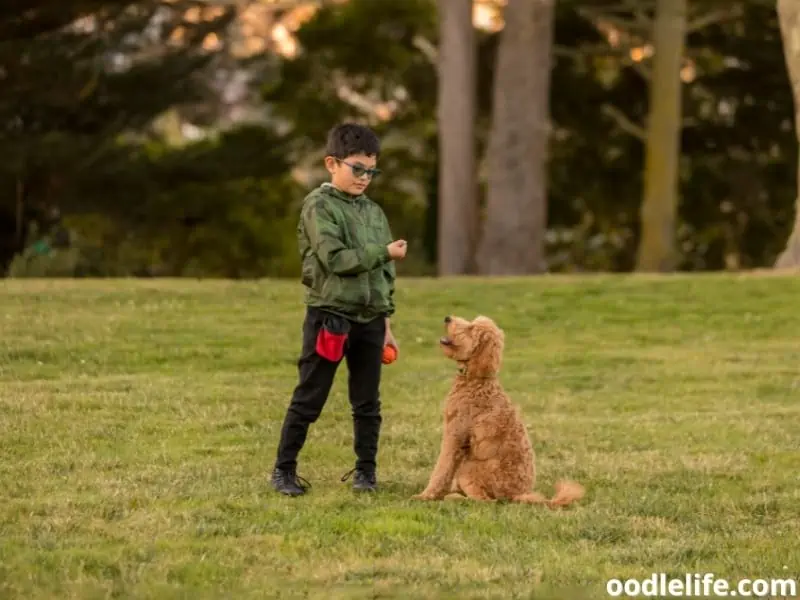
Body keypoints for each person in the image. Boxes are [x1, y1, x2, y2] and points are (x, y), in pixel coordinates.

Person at [271, 123, 408, 496]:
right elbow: (335, 259)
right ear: (332, 163)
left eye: (371, 170)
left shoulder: (374, 213)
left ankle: (366, 473)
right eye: (357, 168)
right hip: (329, 317)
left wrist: (387, 322)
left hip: (371, 320)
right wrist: (383, 251)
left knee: (367, 403)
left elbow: (383, 275)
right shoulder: (318, 206)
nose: (365, 177)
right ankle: (284, 471)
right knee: (309, 397)